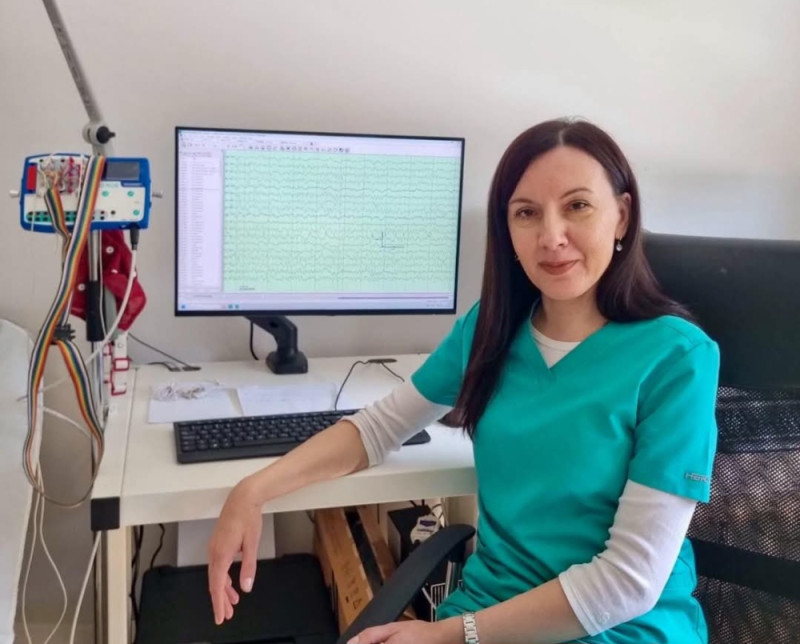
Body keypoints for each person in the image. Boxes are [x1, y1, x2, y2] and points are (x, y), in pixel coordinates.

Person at [207, 118, 719, 644]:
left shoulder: (677, 358)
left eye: (577, 206)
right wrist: (252, 491)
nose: (551, 237)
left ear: (622, 216)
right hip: (487, 610)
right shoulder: (491, 329)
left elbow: (629, 582)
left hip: (616, 627)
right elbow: (378, 429)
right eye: (527, 213)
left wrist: (451, 634)